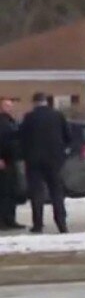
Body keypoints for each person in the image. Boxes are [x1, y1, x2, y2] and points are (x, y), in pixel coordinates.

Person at [19, 92, 72, 233]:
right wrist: (62, 152)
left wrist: (24, 155)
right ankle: (61, 223)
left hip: (34, 161)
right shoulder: (57, 116)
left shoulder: (29, 117)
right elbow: (68, 136)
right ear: (46, 102)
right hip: (54, 160)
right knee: (56, 192)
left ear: (34, 103)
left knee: (37, 192)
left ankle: (38, 224)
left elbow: (22, 138)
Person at [0, 97, 22, 230]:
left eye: (10, 105)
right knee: (3, 191)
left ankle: (10, 219)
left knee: (12, 191)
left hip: (12, 159)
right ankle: (2, 221)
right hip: (3, 161)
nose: (8, 108)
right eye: (5, 105)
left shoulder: (11, 121)